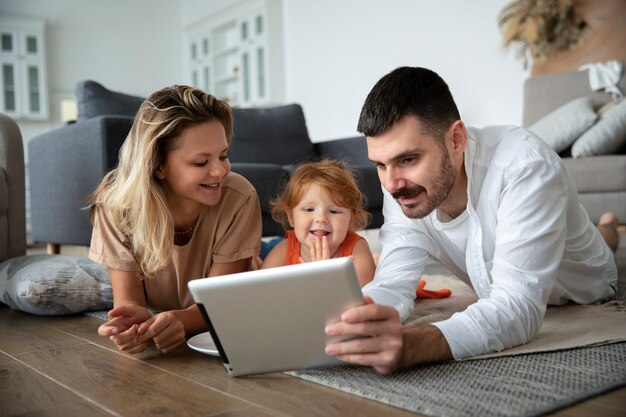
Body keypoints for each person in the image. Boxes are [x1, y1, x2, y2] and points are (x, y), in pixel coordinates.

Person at [324, 66, 619, 374]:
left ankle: (609, 227)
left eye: (408, 159)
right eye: (380, 165)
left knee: (603, 244)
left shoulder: (526, 167)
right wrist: (353, 319)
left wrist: (412, 345)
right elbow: (393, 284)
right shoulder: (402, 186)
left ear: (456, 139)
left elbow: (518, 307)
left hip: (585, 284)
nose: (391, 183)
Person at [88, 85, 261, 354]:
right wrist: (132, 324)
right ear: (158, 165)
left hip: (230, 305)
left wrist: (182, 321)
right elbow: (130, 301)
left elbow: (221, 300)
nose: (220, 170)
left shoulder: (239, 197)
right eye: (201, 162)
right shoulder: (116, 206)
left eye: (223, 155)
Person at [261, 159, 376, 287]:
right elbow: (259, 291)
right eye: (309, 209)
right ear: (291, 217)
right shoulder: (283, 250)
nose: (321, 218)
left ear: (351, 218)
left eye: (334, 211)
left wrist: (324, 276)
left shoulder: (356, 251)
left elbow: (362, 301)